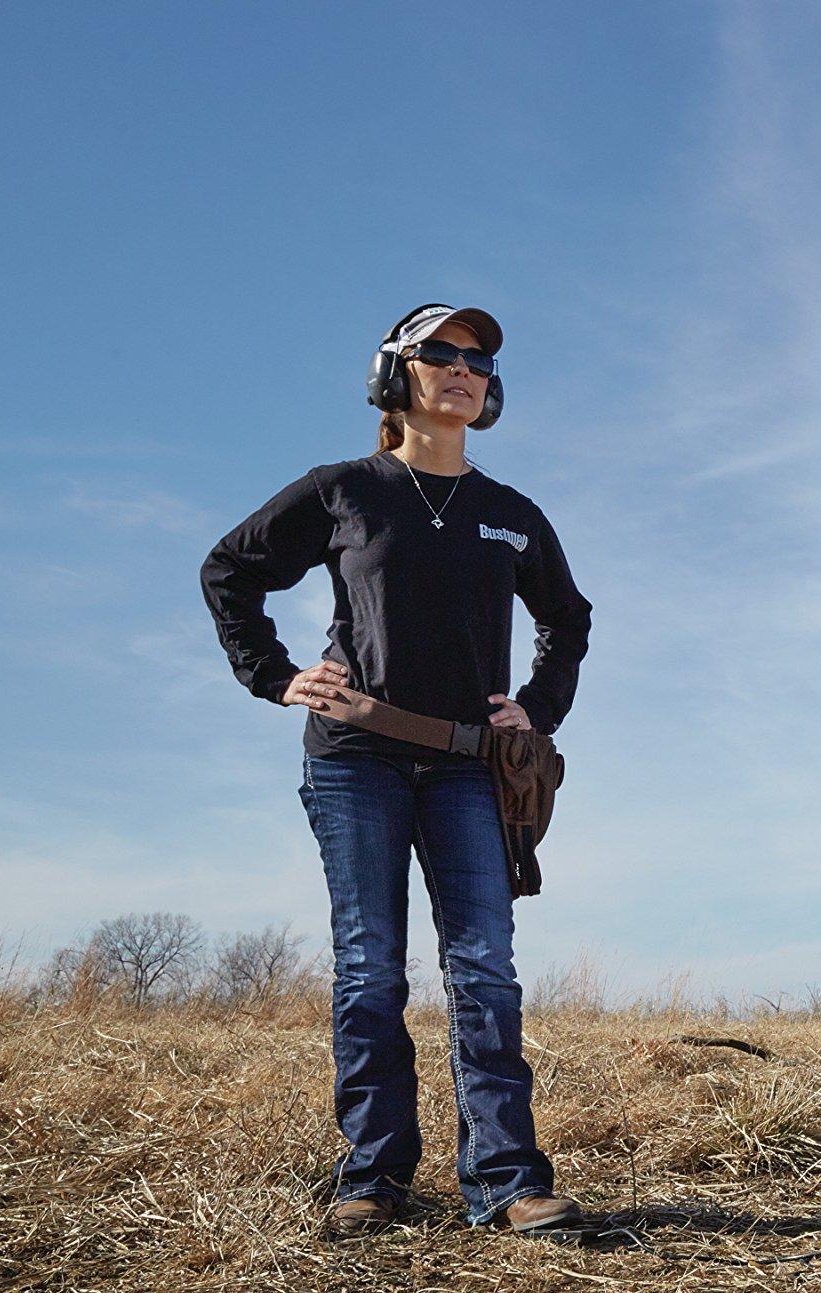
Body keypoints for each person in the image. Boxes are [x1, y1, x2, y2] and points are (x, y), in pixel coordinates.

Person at [201, 303, 595, 1234]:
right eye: (441, 353)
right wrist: (274, 675)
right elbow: (229, 569)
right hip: (355, 760)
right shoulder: (345, 490)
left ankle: (506, 1179)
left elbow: (568, 620)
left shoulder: (512, 516)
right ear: (394, 375)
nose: (463, 369)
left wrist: (536, 708)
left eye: (478, 360)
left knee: (485, 968)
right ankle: (373, 1179)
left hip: (467, 770)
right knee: (371, 968)